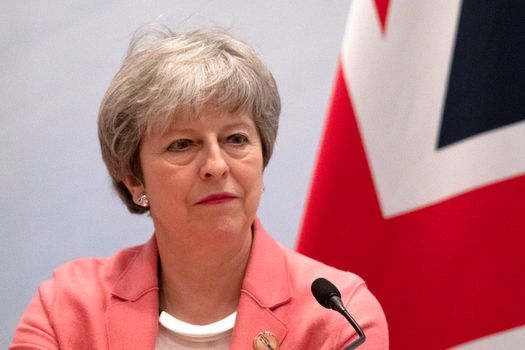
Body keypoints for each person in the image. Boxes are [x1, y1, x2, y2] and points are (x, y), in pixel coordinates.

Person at [10, 25, 388, 349]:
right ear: (134, 178)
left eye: (236, 139)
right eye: (182, 144)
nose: (216, 165)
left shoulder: (338, 313)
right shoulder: (69, 306)